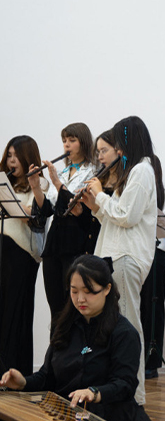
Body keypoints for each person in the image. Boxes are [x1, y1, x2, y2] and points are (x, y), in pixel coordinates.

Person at [0, 255, 163, 421]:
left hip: (107, 420)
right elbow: (47, 377)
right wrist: (23, 382)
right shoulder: (65, 327)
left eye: (88, 291)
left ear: (107, 289)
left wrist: (94, 393)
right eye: (74, 291)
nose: (80, 299)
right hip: (63, 418)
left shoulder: (123, 333)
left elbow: (125, 384)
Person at [81, 116, 160, 406]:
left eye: (117, 143)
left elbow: (128, 216)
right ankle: (117, 389)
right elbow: (115, 219)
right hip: (114, 255)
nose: (113, 150)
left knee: (128, 326)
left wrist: (101, 196)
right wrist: (95, 206)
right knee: (115, 325)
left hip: (126, 258)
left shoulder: (142, 170)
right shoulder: (130, 173)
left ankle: (135, 397)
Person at [37, 123, 101, 323]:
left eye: (72, 140)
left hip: (75, 241)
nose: (67, 145)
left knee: (71, 308)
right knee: (55, 306)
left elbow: (77, 208)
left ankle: (72, 352)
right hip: (54, 241)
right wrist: (35, 187)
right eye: (64, 140)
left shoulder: (93, 172)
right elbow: (47, 209)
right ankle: (56, 352)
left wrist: (56, 182)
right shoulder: (64, 172)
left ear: (83, 143)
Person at [0, 136, 51, 375]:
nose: (11, 161)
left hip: (22, 255)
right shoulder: (4, 183)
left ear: (26, 156)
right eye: (8, 155)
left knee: (16, 312)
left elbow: (37, 217)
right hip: (3, 250)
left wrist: (13, 206)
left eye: (15, 155)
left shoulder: (39, 183)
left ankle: (15, 370)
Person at [140, 155, 165, 379]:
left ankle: (152, 360)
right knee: (138, 306)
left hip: (157, 254)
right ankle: (137, 357)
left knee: (154, 306)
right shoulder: (138, 191)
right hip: (140, 252)